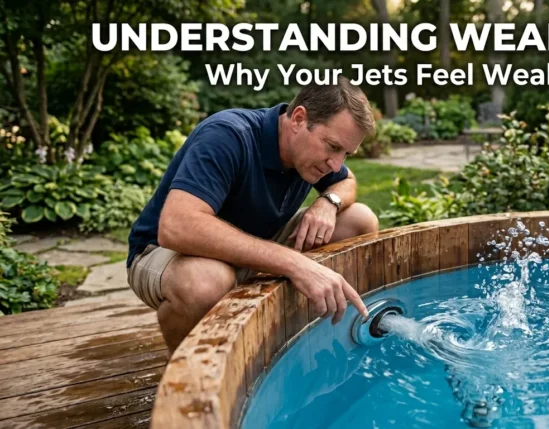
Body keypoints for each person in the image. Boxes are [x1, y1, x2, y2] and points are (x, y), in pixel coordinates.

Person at [126, 77, 376, 354]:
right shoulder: (227, 135)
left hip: (253, 243)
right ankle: (186, 372)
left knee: (359, 220)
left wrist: (328, 202)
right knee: (206, 282)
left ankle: (309, 335)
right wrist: (293, 263)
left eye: (345, 153)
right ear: (298, 119)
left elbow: (346, 181)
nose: (336, 164)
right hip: (163, 252)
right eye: (332, 146)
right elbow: (176, 227)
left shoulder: (311, 155)